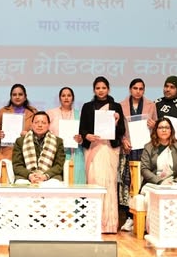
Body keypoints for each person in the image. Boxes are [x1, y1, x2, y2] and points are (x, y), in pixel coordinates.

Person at [79, 76, 126, 233]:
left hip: (109, 149)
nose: (101, 91)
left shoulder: (116, 107)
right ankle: (93, 223)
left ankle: (109, 224)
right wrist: (87, 136)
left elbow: (121, 131)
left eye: (103, 88)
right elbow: (82, 129)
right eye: (98, 88)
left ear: (108, 89)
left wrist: (117, 122)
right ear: (94, 89)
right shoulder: (87, 107)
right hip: (93, 149)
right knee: (94, 182)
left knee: (109, 184)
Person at [119, 78, 157, 232]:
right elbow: (119, 129)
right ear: (130, 89)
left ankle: (144, 218)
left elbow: (158, 127)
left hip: (146, 149)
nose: (138, 91)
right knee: (129, 184)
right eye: (135, 88)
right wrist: (123, 140)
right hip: (129, 149)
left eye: (141, 89)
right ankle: (130, 217)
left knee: (144, 183)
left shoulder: (151, 105)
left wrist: (154, 125)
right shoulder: (121, 105)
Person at [0, 83, 38, 182]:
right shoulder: (3, 111)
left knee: (25, 186)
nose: (17, 97)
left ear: (25, 96)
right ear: (11, 97)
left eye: (20, 94)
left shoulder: (33, 112)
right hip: (7, 153)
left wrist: (28, 135)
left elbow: (40, 131)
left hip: (27, 154)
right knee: (3, 185)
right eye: (14, 94)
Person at [13, 111, 66, 184]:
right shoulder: (20, 141)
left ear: (49, 125)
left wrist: (45, 176)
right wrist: (30, 175)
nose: (40, 125)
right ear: (32, 124)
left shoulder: (58, 141)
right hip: (26, 176)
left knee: (53, 184)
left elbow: (59, 165)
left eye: (43, 123)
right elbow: (17, 165)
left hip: (50, 176)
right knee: (21, 183)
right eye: (36, 122)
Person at [47, 87, 85, 184]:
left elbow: (84, 134)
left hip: (75, 154)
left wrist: (80, 139)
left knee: (75, 183)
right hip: (55, 154)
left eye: (69, 95)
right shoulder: (51, 113)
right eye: (63, 95)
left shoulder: (79, 114)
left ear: (73, 98)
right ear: (59, 98)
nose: (66, 98)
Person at [140, 117, 177, 188]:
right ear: (156, 130)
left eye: (167, 127)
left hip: (174, 185)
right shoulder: (148, 147)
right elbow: (144, 169)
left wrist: (176, 182)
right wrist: (160, 182)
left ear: (171, 130)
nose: (164, 130)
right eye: (160, 128)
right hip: (154, 184)